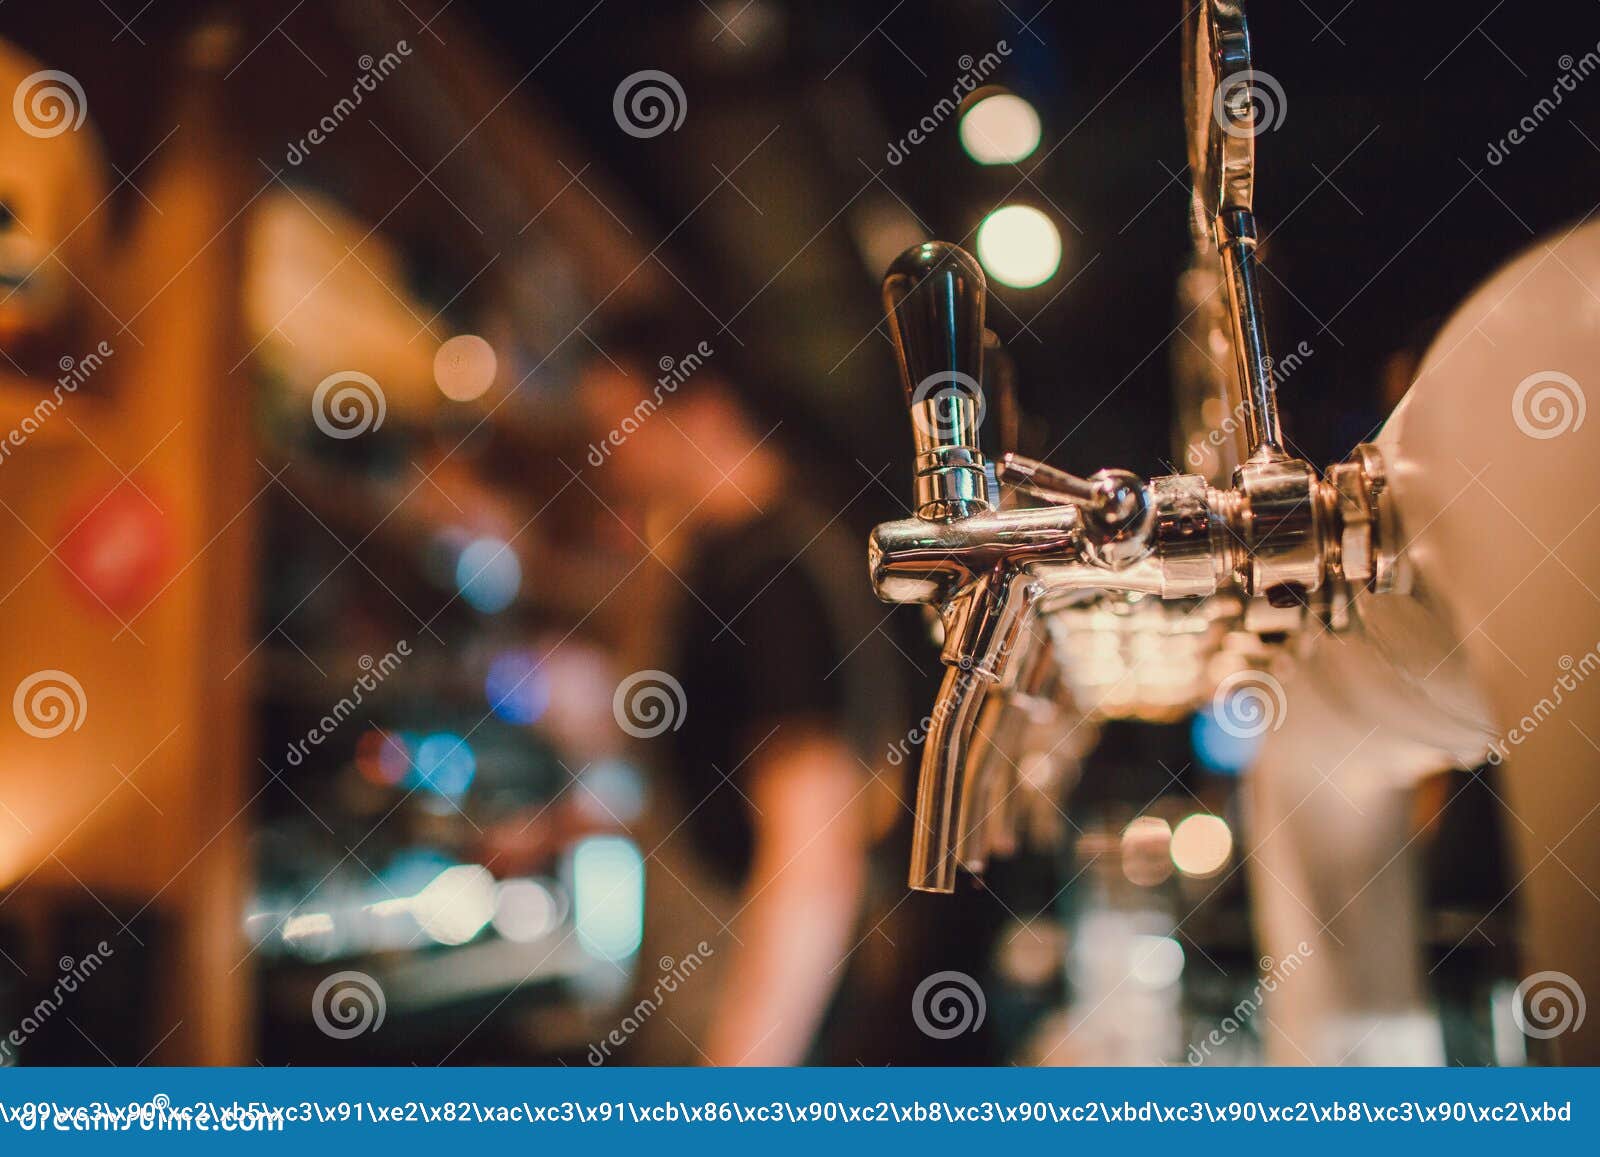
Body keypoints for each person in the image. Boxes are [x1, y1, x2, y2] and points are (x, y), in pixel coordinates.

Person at [575, 324, 910, 1065]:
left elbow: (813, 851)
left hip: (749, 1013)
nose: (607, 461)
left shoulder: (768, 577)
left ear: (700, 407)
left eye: (615, 429)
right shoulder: (750, 554)